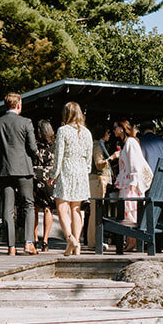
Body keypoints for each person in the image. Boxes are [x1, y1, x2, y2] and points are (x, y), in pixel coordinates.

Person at [0, 93, 38, 257]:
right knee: (28, 204)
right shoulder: (26, 122)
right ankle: (29, 243)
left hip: (4, 169)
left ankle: (11, 246)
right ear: (18, 105)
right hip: (23, 169)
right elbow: (32, 148)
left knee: (7, 208)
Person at [53, 102, 93, 257]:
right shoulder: (87, 133)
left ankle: (70, 238)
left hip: (67, 169)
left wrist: (53, 175)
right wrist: (85, 171)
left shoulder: (62, 131)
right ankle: (77, 245)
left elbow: (59, 155)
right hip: (82, 171)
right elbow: (89, 158)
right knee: (76, 209)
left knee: (62, 207)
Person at [115, 118, 151, 253]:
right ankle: (130, 240)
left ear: (122, 128)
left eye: (116, 128)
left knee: (130, 211)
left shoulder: (131, 142)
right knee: (129, 212)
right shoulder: (129, 143)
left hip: (130, 183)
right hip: (127, 181)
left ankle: (132, 240)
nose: (114, 131)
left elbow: (135, 163)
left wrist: (133, 182)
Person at [88, 126, 114, 251]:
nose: (109, 135)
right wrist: (112, 158)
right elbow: (99, 164)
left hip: (96, 180)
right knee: (96, 212)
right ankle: (94, 241)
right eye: (108, 132)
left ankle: (93, 240)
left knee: (95, 211)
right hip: (98, 180)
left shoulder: (97, 144)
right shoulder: (97, 145)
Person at [32, 121, 56, 251]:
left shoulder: (35, 145)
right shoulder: (54, 145)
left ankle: (35, 238)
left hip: (35, 178)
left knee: (34, 209)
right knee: (48, 209)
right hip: (48, 179)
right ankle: (45, 240)